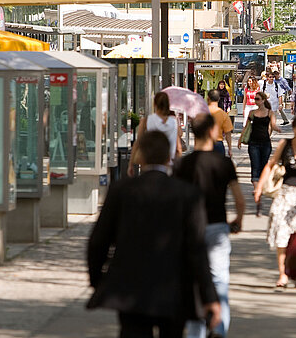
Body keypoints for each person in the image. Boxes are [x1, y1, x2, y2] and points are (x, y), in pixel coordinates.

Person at [87, 131, 220, 338]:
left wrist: (98, 280)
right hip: (174, 289)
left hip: (130, 289)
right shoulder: (187, 194)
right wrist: (209, 296)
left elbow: (98, 241)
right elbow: (197, 250)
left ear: (140, 156)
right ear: (169, 158)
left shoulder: (122, 190)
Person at [175, 114, 246, 338]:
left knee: (193, 284)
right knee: (219, 282)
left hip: (190, 231)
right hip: (217, 227)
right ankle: (218, 329)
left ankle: (195, 332)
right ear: (210, 131)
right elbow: (239, 199)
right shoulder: (223, 163)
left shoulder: (183, 164)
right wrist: (238, 220)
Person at [254, 112, 296, 288]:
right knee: (282, 234)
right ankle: (283, 274)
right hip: (285, 196)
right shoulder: (285, 144)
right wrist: (259, 187)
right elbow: (270, 164)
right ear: (294, 128)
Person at [238, 91, 280, 216]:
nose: (256, 101)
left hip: (265, 143)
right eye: (255, 99)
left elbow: (273, 125)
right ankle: (257, 188)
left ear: (263, 100)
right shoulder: (252, 113)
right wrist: (240, 139)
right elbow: (246, 127)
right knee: (255, 165)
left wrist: (277, 129)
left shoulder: (270, 113)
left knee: (263, 165)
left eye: (257, 99)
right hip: (253, 143)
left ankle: (260, 186)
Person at [131, 92, 182, 173]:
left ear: (154, 104)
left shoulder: (146, 121)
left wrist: (130, 165)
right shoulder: (173, 121)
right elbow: (178, 148)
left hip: (148, 165)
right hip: (168, 165)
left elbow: (138, 143)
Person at [207, 89, 233, 157]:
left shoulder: (202, 112)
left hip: (205, 143)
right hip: (218, 143)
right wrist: (230, 148)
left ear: (208, 98)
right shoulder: (223, 114)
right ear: (218, 99)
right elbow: (228, 133)